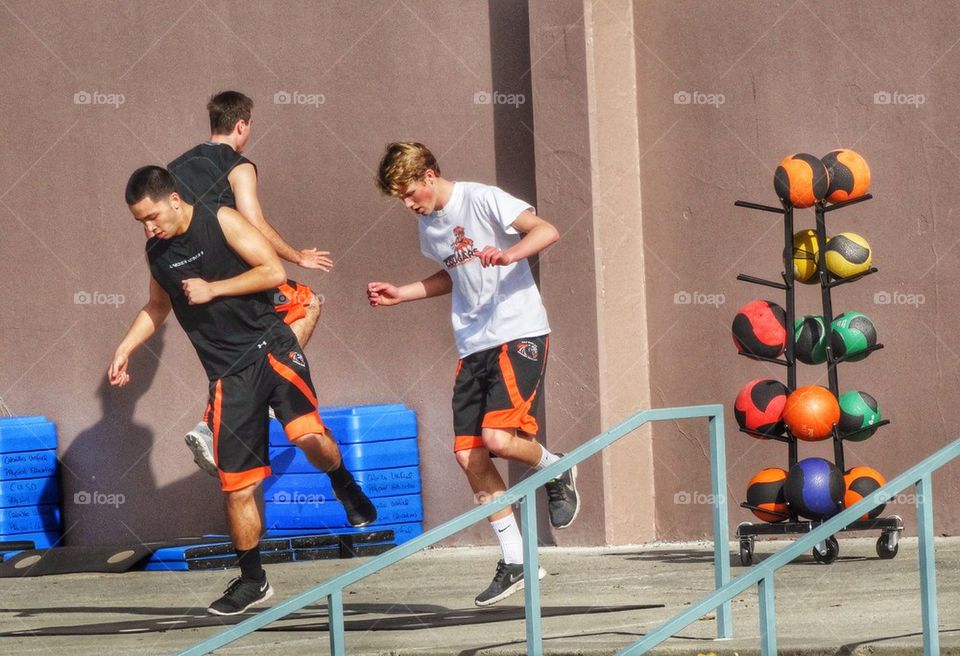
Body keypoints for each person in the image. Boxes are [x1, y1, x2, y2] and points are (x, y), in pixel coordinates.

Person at [110, 166, 375, 615]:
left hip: (270, 349)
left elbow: (272, 271)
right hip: (227, 376)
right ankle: (254, 580)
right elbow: (157, 307)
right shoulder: (157, 253)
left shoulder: (221, 220)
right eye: (140, 222)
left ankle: (342, 482)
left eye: (152, 216)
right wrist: (125, 348)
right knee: (237, 488)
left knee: (307, 436)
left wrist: (214, 288)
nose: (149, 226)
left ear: (175, 199)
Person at [367, 142, 579, 607]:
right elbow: (453, 275)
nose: (408, 205)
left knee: (499, 440)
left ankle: (556, 467)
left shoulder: (483, 198)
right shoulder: (428, 227)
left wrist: (510, 255)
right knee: (470, 457)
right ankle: (518, 560)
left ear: (428, 174)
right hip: (472, 344)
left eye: (408, 193)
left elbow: (547, 231)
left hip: (518, 331)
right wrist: (403, 293)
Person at [168, 90, 330, 477]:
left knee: (236, 354)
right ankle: (258, 397)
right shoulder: (238, 166)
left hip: (189, 283)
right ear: (242, 125)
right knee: (306, 303)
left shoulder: (175, 168)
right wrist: (298, 256)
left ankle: (214, 425)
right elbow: (253, 221)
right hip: (237, 279)